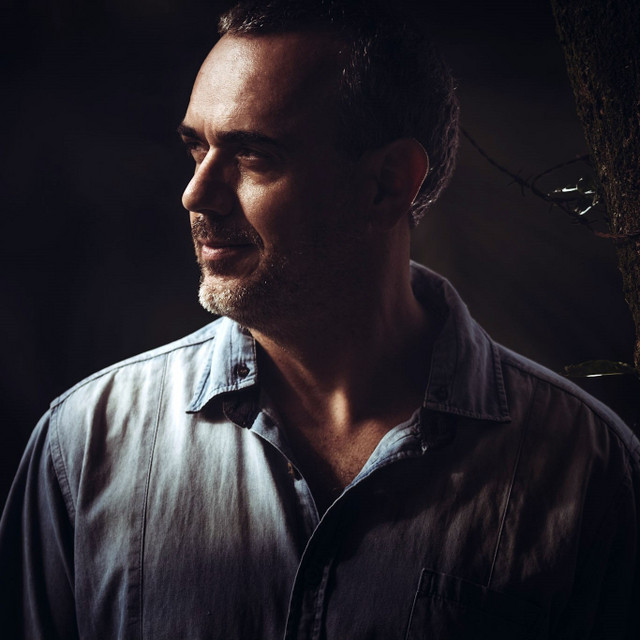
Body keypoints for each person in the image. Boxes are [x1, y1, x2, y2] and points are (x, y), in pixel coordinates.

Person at [1, 0, 638, 637]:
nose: (196, 194)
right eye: (197, 149)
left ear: (388, 184)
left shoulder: (588, 468)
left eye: (253, 156)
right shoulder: (84, 446)